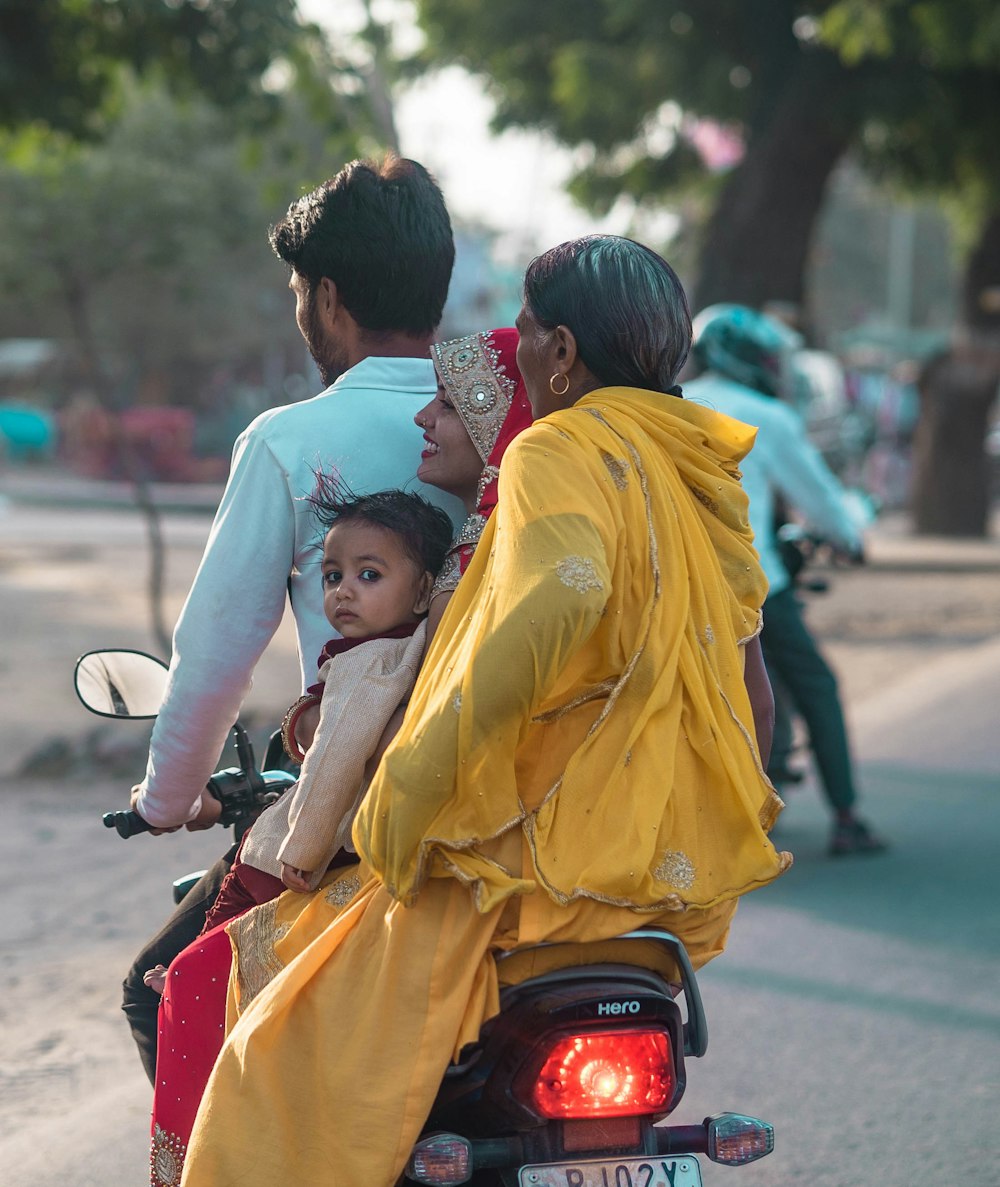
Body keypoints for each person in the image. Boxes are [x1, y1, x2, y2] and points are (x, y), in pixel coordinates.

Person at [180, 238, 792, 1187]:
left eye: (531, 331)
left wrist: (411, 788)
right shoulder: (699, 467)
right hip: (670, 896)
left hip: (530, 878)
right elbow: (752, 685)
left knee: (272, 1038)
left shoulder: (558, 446)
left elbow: (555, 608)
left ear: (561, 352)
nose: (525, 349)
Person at [121, 154, 463, 1086]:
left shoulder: (287, 440)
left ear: (330, 297)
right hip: (508, 802)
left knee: (158, 993)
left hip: (354, 805)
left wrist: (167, 797)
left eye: (300, 293)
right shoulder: (511, 420)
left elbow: (216, 652)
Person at [685, 303, 887, 856]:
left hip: (677, 583)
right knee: (816, 686)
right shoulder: (765, 416)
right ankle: (846, 816)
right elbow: (820, 498)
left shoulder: (672, 406)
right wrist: (849, 537)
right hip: (753, 586)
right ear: (749, 359)